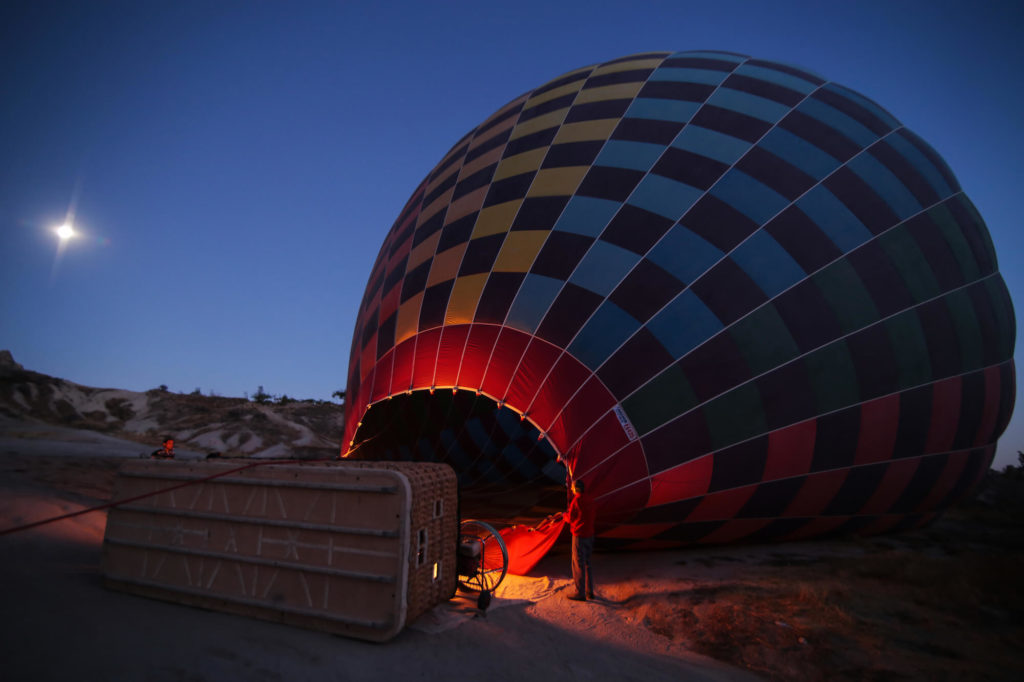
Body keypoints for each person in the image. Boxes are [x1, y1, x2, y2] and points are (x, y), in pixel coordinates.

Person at [567, 478, 596, 601]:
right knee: (588, 563)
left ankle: (580, 593)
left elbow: (570, 518)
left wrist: (564, 516)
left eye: (572, 488)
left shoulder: (576, 501)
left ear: (576, 489)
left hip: (579, 536)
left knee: (578, 564)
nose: (571, 489)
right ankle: (590, 592)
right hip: (590, 535)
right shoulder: (590, 499)